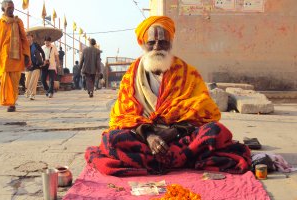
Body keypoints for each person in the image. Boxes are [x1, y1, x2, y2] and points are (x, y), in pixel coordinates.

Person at [85, 16, 251, 176]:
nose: (157, 46)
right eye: (151, 42)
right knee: (112, 139)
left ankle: (152, 162)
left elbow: (203, 112)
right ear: (143, 44)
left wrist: (173, 132)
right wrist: (149, 135)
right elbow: (123, 116)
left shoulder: (188, 73)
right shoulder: (131, 75)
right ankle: (179, 160)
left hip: (180, 137)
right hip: (143, 138)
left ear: (170, 43)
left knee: (215, 131)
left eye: (163, 42)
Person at [0, 0, 30, 112]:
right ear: (3, 9)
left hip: (17, 58)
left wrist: (26, 55)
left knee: (15, 83)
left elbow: (24, 39)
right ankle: (9, 101)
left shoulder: (18, 22)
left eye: (12, 8)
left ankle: (12, 103)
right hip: (4, 58)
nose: (11, 10)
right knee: (5, 81)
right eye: (9, 8)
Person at [25, 33, 45, 100]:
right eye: (27, 37)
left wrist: (43, 60)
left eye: (29, 37)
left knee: (33, 81)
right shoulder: (24, 46)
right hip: (28, 66)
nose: (28, 39)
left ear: (32, 38)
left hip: (36, 66)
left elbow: (42, 52)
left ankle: (32, 94)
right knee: (27, 82)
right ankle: (28, 92)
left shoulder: (36, 45)